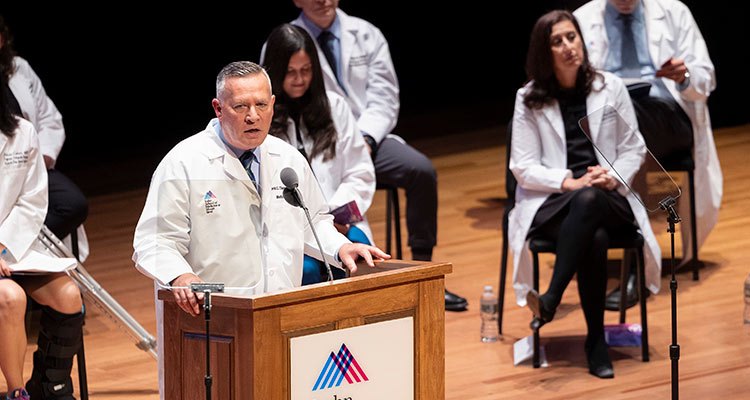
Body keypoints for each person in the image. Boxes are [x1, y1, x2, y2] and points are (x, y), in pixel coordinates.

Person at [132, 61, 389, 398]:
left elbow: (314, 221)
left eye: (261, 105)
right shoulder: (184, 163)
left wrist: (340, 247)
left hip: (279, 312)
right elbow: (153, 241)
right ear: (218, 108)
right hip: (215, 319)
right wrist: (181, 277)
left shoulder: (287, 158)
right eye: (240, 107)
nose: (252, 116)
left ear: (273, 105)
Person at [282, 0, 467, 310]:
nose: (324, 0)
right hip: (320, 142)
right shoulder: (285, 42)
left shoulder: (366, 33)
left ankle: (422, 270)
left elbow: (384, 97)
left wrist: (364, 137)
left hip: (367, 139)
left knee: (420, 170)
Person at [508, 10, 660, 378]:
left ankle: (552, 298)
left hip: (608, 195)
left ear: (581, 41)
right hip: (555, 200)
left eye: (571, 37)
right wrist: (568, 181)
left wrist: (611, 176)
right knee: (595, 232)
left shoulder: (610, 86)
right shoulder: (528, 98)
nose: (567, 47)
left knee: (591, 204)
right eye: (557, 42)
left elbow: (633, 148)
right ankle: (596, 343)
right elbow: (522, 166)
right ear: (544, 53)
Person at [574, 0, 721, 308]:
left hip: (667, 119)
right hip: (608, 127)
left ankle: (634, 264)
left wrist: (684, 75)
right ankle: (634, 256)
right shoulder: (582, 19)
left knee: (622, 125)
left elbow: (706, 77)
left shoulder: (674, 12)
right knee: (616, 128)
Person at [262, 23, 376, 285]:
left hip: (340, 220)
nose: (299, 79)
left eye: (306, 70)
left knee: (362, 251)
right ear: (275, 73)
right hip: (290, 230)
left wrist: (333, 217)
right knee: (308, 270)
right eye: (290, 72)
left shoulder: (335, 108)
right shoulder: (263, 120)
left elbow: (360, 172)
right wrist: (312, 221)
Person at [1, 57, 84, 399]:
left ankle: (51, 387)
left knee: (68, 295)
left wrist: (4, 248)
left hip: (12, 250)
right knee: (9, 297)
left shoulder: (22, 132)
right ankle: (16, 391)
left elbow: (33, 201)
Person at [0, 16, 89, 254]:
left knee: (73, 204)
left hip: (30, 162)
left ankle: (18, 251)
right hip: (4, 170)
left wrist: (43, 156)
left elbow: (49, 117)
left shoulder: (19, 68)